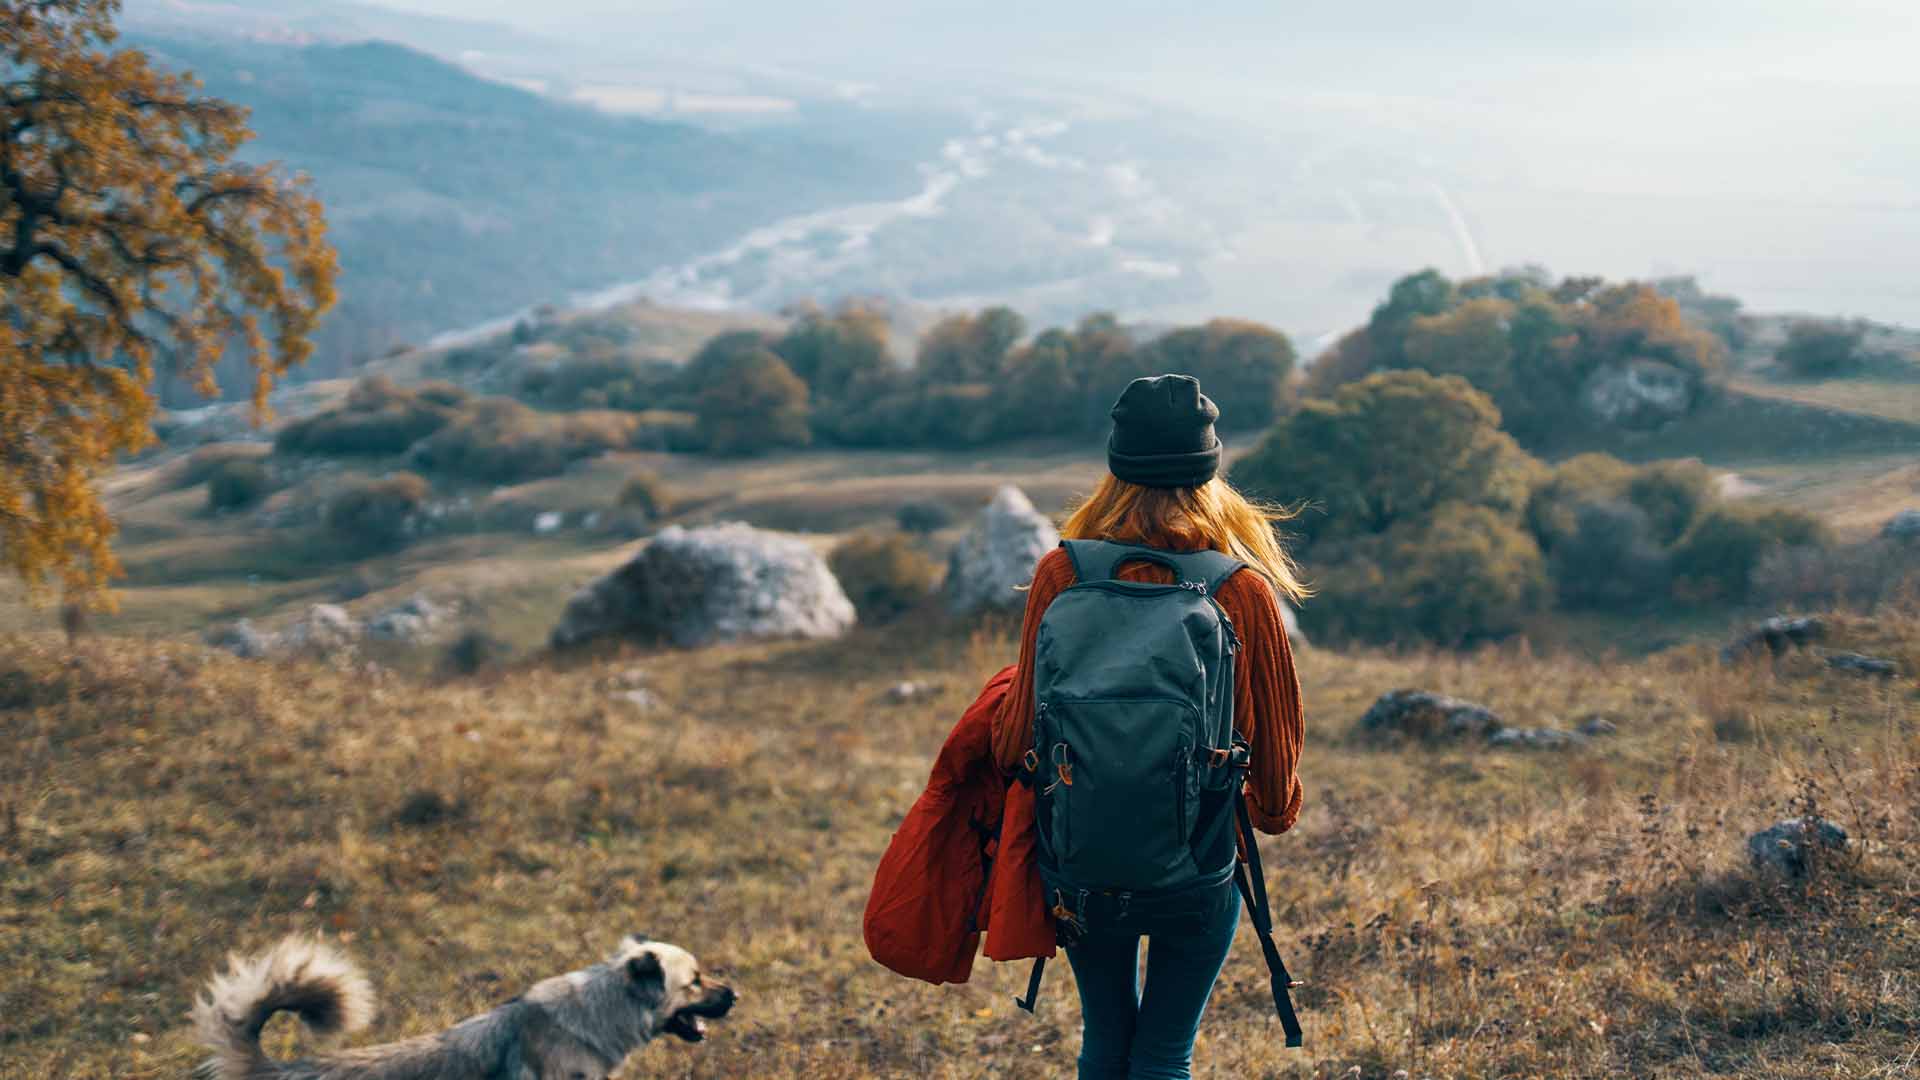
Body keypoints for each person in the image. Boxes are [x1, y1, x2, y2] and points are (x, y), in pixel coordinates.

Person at [990, 373, 1308, 1080]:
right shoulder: (1240, 589)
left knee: (1105, 1045)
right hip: (1195, 872)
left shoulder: (1060, 574)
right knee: (1164, 1054)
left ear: (1115, 467)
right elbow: (1276, 801)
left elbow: (1015, 746)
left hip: (1079, 868)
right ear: (1211, 469)